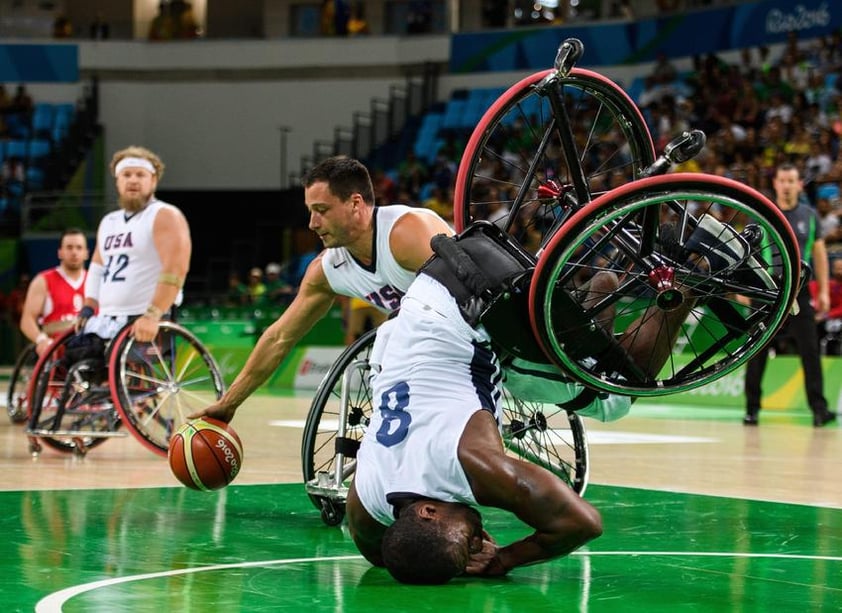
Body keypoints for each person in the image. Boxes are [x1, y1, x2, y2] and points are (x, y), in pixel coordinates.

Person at [344, 215, 759, 583]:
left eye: (466, 539)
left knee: (612, 398)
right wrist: (440, 555)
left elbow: (583, 523)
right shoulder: (366, 501)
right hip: (423, 299)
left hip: (474, 308)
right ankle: (595, 305)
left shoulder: (472, 466)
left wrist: (504, 560)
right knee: (552, 373)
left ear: (427, 512)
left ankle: (695, 268)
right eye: (476, 547)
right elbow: (378, 552)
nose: (478, 537)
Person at [191, 156, 452, 424]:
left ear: (355, 203)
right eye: (310, 211)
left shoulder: (405, 233)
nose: (312, 223)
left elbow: (468, 296)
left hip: (468, 338)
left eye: (322, 210)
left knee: (392, 340)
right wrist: (228, 404)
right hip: (426, 353)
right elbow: (279, 338)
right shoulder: (327, 270)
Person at [743, 163, 835, 427]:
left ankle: (819, 410)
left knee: (810, 352)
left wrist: (825, 291)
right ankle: (751, 410)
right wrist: (743, 288)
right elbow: (747, 254)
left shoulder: (809, 215)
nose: (786, 185)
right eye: (782, 180)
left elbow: (818, 253)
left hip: (800, 293)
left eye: (791, 181)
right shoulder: (762, 214)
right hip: (766, 292)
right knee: (756, 352)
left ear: (798, 184)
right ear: (776, 184)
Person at [75, 146, 191, 348]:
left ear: (153, 181)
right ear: (118, 181)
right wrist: (88, 307)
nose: (133, 180)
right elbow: (96, 270)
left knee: (139, 378)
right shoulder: (109, 221)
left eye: (140, 175)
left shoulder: (164, 215)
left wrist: (153, 314)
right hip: (108, 318)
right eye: (126, 174)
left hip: (145, 316)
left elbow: (175, 269)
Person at [19, 228, 89, 357]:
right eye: (69, 247)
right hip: (56, 351)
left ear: (86, 253)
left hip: (89, 348)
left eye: (79, 248)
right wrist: (41, 340)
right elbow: (26, 320)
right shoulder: (43, 281)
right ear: (60, 253)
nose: (74, 252)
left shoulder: (95, 282)